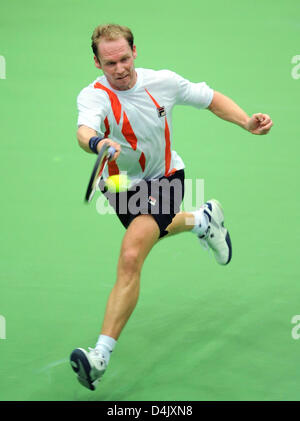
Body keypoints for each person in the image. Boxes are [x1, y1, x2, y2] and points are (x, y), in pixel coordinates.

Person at [70, 24, 273, 391]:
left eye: (125, 58)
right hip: (118, 184)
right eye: (110, 62)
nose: (119, 68)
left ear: (136, 52)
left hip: (165, 177)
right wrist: (98, 142)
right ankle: (202, 220)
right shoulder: (93, 95)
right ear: (97, 62)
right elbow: (84, 130)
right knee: (153, 233)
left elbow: (209, 97)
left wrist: (245, 121)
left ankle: (99, 355)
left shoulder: (161, 82)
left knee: (132, 254)